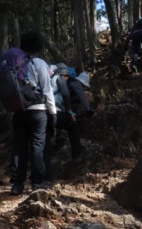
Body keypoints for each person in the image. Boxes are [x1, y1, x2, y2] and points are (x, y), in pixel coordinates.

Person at [9, 31, 57, 195]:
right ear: (38, 47)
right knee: (37, 145)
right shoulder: (38, 63)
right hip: (37, 111)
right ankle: (38, 182)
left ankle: (17, 184)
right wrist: (53, 111)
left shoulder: (15, 64)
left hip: (18, 111)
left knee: (19, 147)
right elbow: (47, 89)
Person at [48, 64, 93, 165]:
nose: (84, 88)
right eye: (84, 86)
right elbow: (80, 96)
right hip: (55, 110)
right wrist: (88, 110)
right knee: (72, 125)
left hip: (44, 112)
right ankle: (77, 154)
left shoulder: (51, 81)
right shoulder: (73, 82)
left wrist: (70, 112)